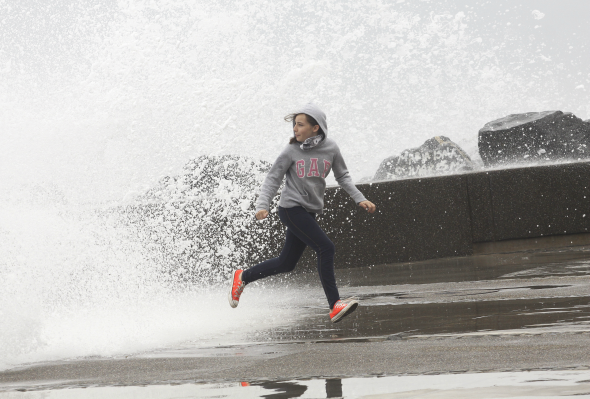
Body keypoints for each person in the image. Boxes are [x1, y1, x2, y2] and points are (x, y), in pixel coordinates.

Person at [228, 103, 376, 323]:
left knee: (286, 263)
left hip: (309, 211)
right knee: (326, 247)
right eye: (294, 125)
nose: (295, 129)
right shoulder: (291, 150)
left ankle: (243, 276)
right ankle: (335, 305)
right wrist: (263, 205)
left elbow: (342, 176)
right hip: (291, 209)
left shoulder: (331, 148)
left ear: (316, 128)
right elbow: (273, 177)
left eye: (300, 124)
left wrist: (360, 198)